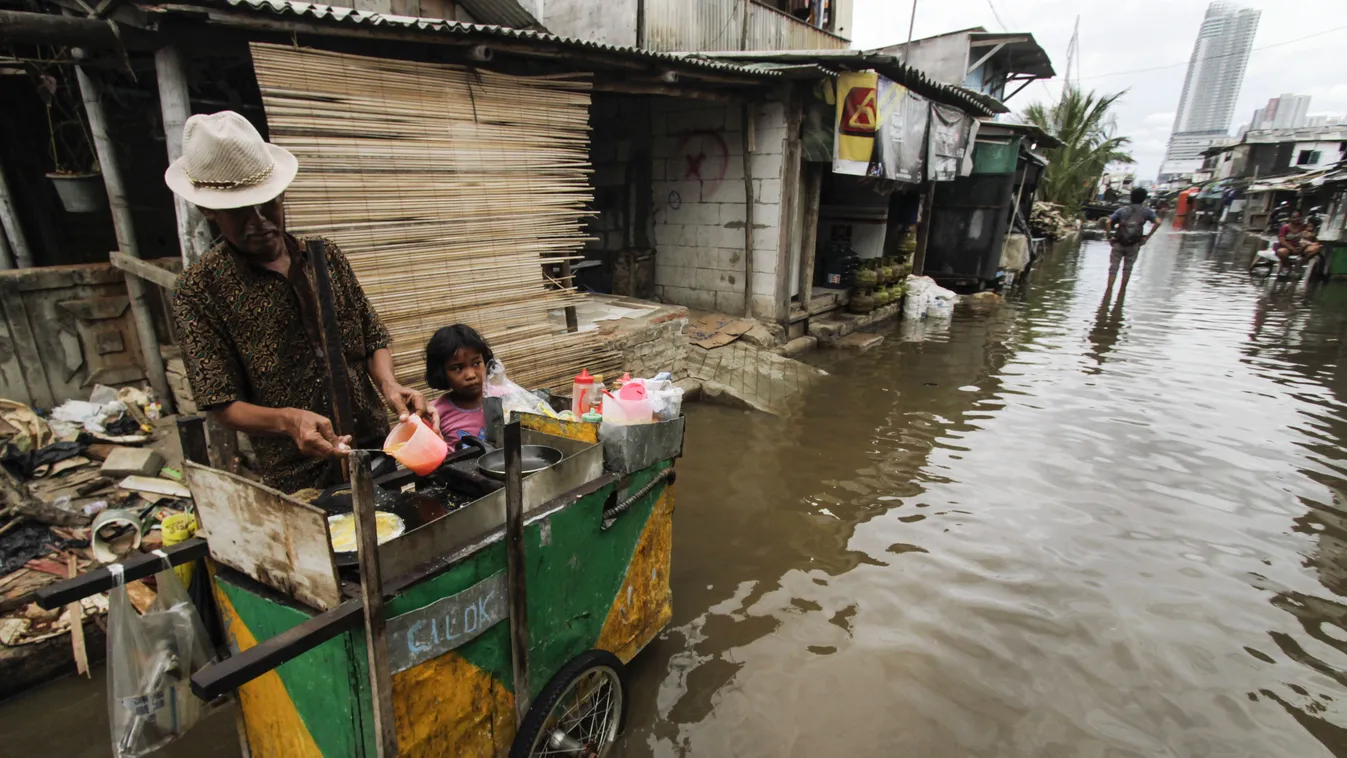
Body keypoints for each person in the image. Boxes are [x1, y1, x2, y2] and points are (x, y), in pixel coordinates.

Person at [168, 111, 432, 493]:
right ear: (208, 211)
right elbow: (220, 402)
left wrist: (390, 386)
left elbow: (372, 336)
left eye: (268, 204)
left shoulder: (327, 257)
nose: (259, 221)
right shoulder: (199, 291)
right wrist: (288, 420)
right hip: (299, 472)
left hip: (377, 447)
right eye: (240, 212)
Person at [425, 324, 493, 445]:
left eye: (476, 363)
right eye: (457, 368)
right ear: (441, 372)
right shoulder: (435, 414)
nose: (471, 375)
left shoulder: (503, 398)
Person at [1104, 187, 1162, 290]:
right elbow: (1158, 222)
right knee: (1128, 268)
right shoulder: (1147, 212)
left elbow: (1108, 222)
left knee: (1113, 268)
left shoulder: (1122, 210)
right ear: (1144, 199)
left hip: (1118, 242)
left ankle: (1108, 291)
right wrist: (1147, 237)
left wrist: (1109, 236)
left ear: (1131, 197)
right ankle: (1122, 291)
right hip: (1134, 244)